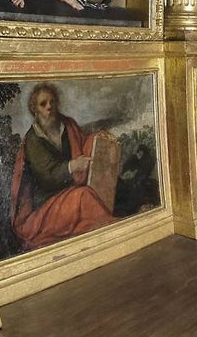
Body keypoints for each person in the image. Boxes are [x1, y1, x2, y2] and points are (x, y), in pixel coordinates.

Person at [10, 83, 117, 251]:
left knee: (90, 194)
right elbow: (46, 177)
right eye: (43, 104)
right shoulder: (33, 140)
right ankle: (114, 234)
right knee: (83, 197)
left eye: (52, 102)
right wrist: (73, 166)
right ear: (34, 109)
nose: (49, 107)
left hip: (70, 189)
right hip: (45, 204)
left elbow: (83, 146)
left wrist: (99, 139)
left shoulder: (67, 125)